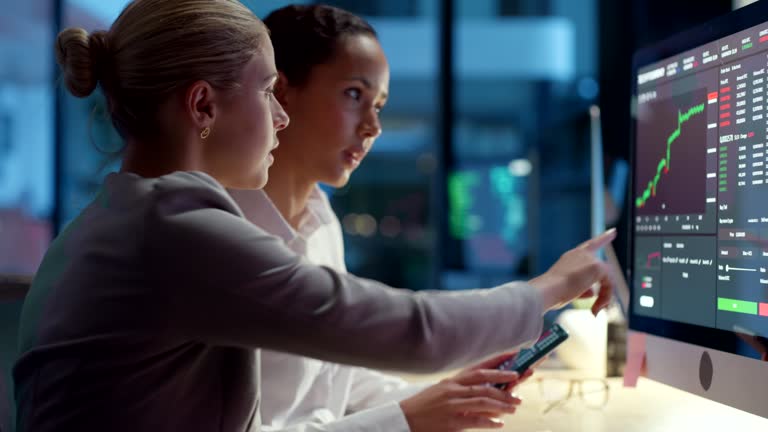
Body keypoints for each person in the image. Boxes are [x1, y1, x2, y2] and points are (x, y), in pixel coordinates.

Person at [13, 0, 616, 431]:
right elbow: (408, 331)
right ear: (203, 106)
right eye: (268, 91)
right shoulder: (173, 228)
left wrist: (428, 398)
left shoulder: (134, 215)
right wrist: (550, 286)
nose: (279, 118)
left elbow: (345, 362)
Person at [227, 5, 529, 431]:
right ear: (281, 92)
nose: (373, 127)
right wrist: (408, 419)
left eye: (380, 105)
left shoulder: (321, 220)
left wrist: (449, 398)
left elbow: (333, 381)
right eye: (354, 94)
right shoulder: (222, 235)